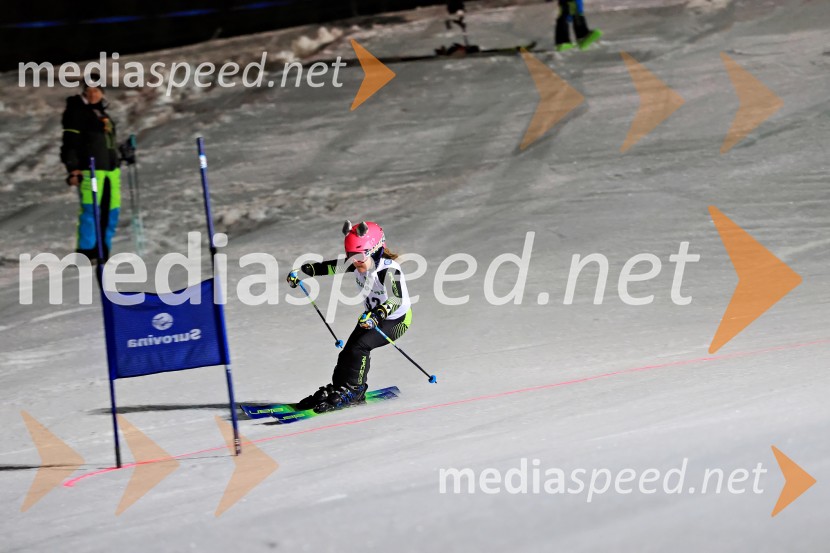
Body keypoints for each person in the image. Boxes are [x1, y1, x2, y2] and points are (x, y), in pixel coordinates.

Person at [286, 221, 413, 413]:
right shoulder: (358, 264)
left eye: (360, 255)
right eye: (351, 255)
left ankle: (355, 391)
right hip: (371, 317)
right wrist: (303, 272)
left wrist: (378, 314)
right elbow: (330, 267)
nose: (355, 261)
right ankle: (340, 388)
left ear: (376, 250)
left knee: (360, 347)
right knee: (348, 351)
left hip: (397, 320)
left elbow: (397, 299)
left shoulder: (389, 269)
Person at [60, 76, 121, 262]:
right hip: (90, 169)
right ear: (84, 92)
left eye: (97, 90)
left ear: (102, 92)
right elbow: (70, 143)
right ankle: (87, 253)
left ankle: (103, 250)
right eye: (90, 90)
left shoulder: (104, 115)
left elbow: (107, 144)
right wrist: (73, 168)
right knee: (91, 211)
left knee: (111, 211)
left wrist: (122, 154)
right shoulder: (77, 112)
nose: (94, 94)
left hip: (110, 171)